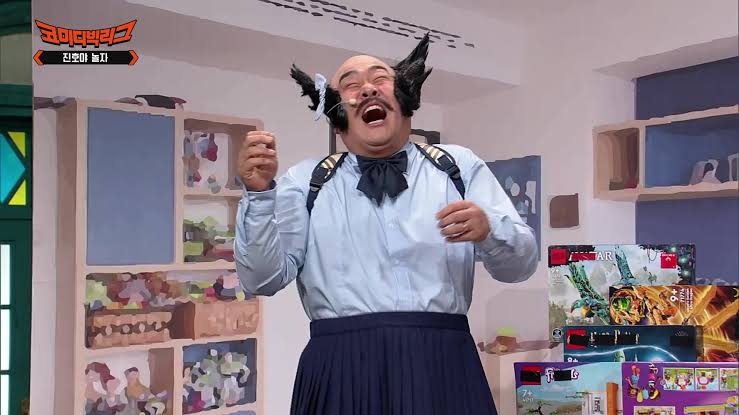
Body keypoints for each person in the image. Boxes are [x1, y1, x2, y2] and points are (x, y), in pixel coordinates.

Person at [234, 33, 537, 415]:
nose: (367, 89)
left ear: (406, 99)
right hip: (339, 370)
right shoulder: (306, 181)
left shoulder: (458, 167)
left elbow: (520, 267)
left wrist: (490, 228)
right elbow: (261, 279)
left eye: (380, 78)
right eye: (351, 85)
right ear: (337, 117)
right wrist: (259, 195)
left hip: (443, 366)